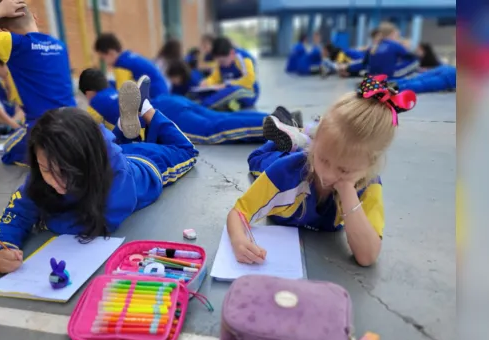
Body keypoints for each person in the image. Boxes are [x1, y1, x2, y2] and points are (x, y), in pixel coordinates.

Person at [0, 78, 198, 272]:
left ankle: (146, 108)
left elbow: (98, 224)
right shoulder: (46, 166)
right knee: (106, 149)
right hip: (108, 152)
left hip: (148, 164)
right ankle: (123, 129)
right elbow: (16, 213)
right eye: (46, 169)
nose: (57, 182)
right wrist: (0, 248)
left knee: (186, 150)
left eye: (65, 171)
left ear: (88, 163)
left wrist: (45, 218)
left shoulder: (118, 181)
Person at [226, 75, 417, 267]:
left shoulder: (369, 183)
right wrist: (238, 240)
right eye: (324, 159)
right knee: (257, 160)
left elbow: (367, 256)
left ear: (369, 166)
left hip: (313, 153)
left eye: (344, 170)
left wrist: (347, 189)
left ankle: (297, 134)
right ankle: (295, 137)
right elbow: (239, 213)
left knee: (324, 156)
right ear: (316, 143)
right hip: (285, 160)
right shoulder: (285, 172)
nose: (328, 175)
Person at [0, 0, 76, 166]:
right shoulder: (59, 45)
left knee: (9, 148)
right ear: (35, 17)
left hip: (43, 129)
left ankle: (47, 156)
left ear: (5, 31)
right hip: (75, 121)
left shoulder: (14, 43)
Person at [79, 68, 271, 144]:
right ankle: (274, 118)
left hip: (164, 115)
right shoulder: (117, 89)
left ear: (88, 93)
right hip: (170, 100)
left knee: (212, 131)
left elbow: (90, 128)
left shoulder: (95, 102)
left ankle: (271, 128)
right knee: (220, 118)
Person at [94, 33, 170, 99]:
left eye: (103, 58)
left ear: (111, 53)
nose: (104, 62)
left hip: (155, 97)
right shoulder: (128, 57)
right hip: (162, 92)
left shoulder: (122, 64)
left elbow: (122, 94)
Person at [199, 36, 260, 111]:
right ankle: (203, 104)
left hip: (249, 92)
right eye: (219, 62)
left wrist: (227, 84)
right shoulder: (220, 62)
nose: (222, 65)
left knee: (234, 90)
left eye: (223, 61)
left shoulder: (243, 58)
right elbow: (215, 77)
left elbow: (249, 80)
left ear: (232, 53)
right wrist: (207, 82)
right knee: (214, 91)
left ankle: (204, 107)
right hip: (231, 94)